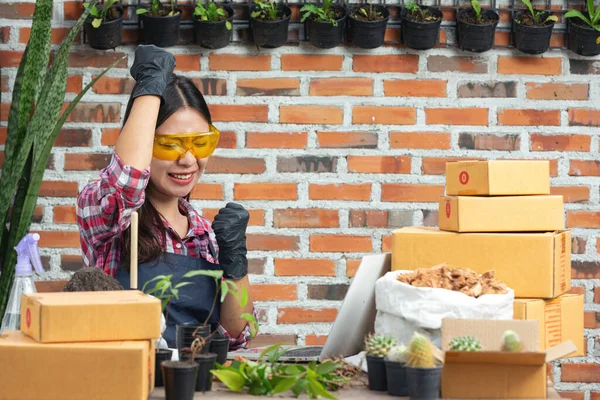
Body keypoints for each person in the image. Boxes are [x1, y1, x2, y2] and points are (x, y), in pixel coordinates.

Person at [76, 45, 256, 350]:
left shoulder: (204, 233)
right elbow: (126, 182)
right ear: (146, 143)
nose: (187, 159)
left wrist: (235, 262)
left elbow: (235, 337)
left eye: (199, 143)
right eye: (170, 144)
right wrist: (150, 86)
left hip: (192, 386)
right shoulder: (106, 215)